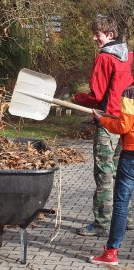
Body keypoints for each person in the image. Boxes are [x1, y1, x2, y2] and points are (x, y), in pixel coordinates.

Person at [73, 15, 134, 236]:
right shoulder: (129, 56)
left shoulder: (104, 58)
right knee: (122, 173)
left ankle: (101, 223)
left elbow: (97, 95)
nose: (94, 38)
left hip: (108, 121)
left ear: (109, 34)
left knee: (104, 173)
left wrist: (77, 98)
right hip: (126, 121)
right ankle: (125, 218)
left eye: (97, 34)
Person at [88, 83, 134, 265]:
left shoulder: (131, 92)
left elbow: (123, 126)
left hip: (131, 155)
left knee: (121, 204)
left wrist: (103, 120)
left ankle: (111, 253)